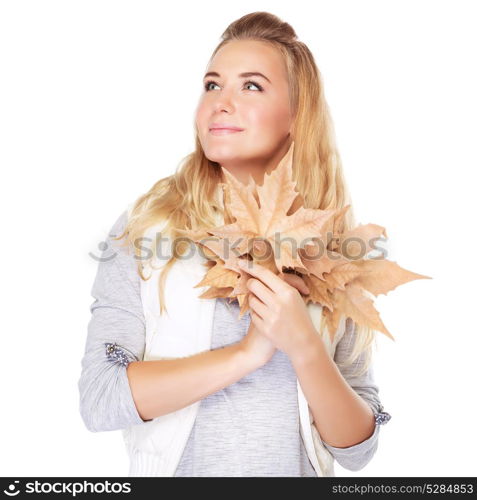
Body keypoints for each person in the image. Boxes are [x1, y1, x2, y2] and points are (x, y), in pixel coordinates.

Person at [78, 11, 391, 477]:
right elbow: (101, 400)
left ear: (296, 115)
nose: (220, 103)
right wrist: (249, 353)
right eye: (211, 85)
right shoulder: (148, 230)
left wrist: (305, 347)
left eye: (251, 86)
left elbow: (357, 450)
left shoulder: (333, 248)